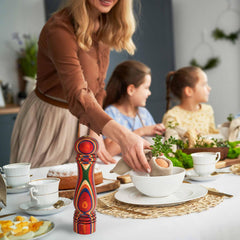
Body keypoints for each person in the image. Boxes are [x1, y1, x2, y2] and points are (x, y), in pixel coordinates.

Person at [10, 0, 151, 173]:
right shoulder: (59, 28)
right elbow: (78, 94)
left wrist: (94, 131)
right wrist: (123, 136)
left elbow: (98, 88)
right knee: (43, 188)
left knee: (81, 190)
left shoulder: (103, 26)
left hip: (85, 119)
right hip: (51, 122)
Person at [103, 60, 165, 156]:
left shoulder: (143, 113)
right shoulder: (111, 113)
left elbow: (155, 146)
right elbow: (109, 151)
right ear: (131, 90)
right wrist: (141, 131)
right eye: (146, 88)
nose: (149, 93)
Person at [162, 66, 219, 141]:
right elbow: (172, 142)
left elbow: (213, 136)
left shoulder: (208, 110)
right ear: (189, 91)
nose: (209, 88)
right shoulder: (172, 116)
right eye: (204, 84)